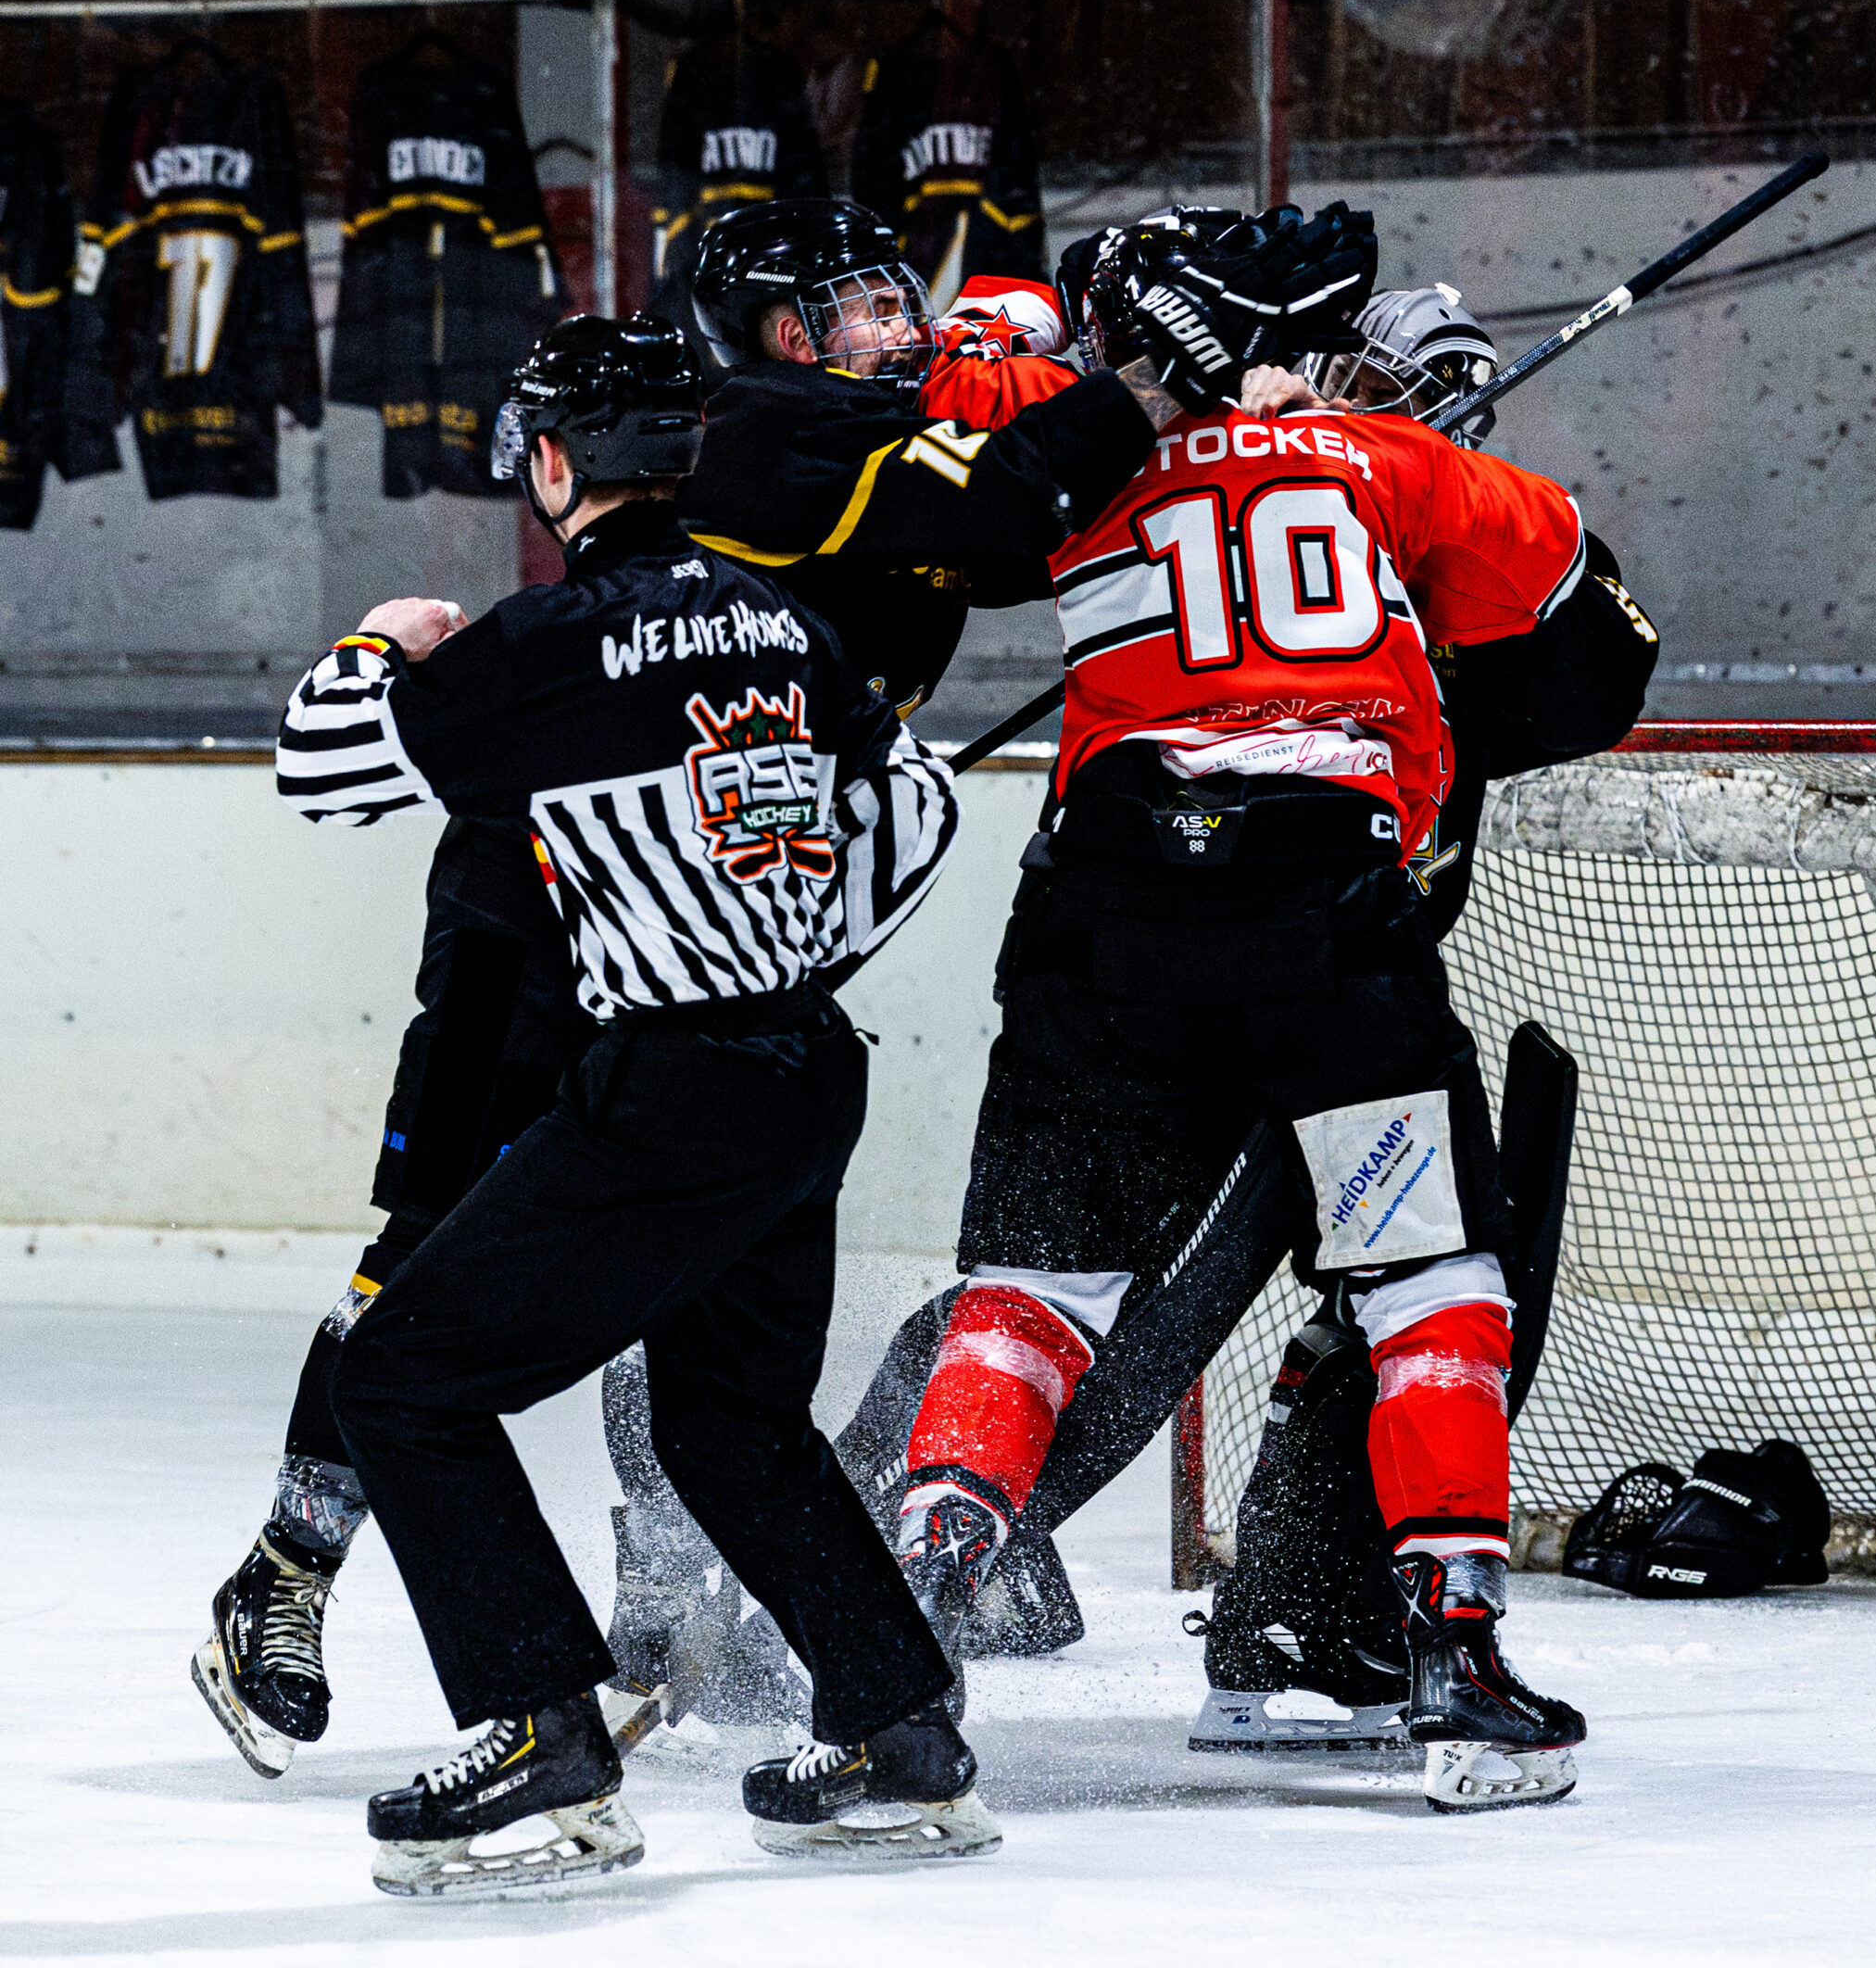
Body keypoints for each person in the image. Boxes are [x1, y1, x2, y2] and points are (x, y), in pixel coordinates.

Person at [189, 200, 1167, 1780]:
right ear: (775, 335)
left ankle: (661, 1586)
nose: (898, 328)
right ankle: (292, 1566)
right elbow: (1016, 496)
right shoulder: (780, 425)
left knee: (698, 1286)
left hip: (707, 923)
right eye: (860, 308)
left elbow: (1019, 517)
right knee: (438, 1249)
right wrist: (1145, 369)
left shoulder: (865, 443)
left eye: (898, 303)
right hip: (542, 900)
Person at [828, 279, 1658, 1753]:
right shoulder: (1392, 469)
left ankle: (922, 1625)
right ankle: (1447, 1644)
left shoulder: (1096, 449)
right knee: (1429, 1285)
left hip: (1118, 938)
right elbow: (1587, 624)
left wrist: (1075, 386)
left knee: (1031, 1294)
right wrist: (1380, 486)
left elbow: (954, 409)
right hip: (1327, 953)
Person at [276, 311, 996, 1892]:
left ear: (552, 463)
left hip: (669, 1088)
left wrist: (383, 642)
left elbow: (322, 769)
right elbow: (919, 801)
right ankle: (899, 1726)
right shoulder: (783, 621)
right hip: (805, 1071)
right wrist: (797, 936)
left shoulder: (550, 643)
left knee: (402, 1382)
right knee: (731, 1427)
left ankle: (541, 1740)